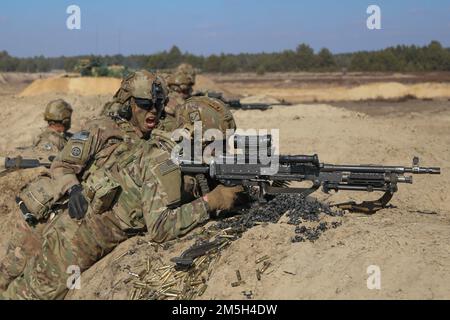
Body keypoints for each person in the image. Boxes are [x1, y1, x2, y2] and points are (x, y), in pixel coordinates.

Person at [0, 94, 242, 300]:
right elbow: (160, 228)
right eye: (215, 142)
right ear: (194, 135)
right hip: (73, 245)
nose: (219, 149)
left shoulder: (172, 152)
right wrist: (212, 201)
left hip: (77, 235)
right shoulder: (161, 161)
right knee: (29, 294)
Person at [0, 70, 169, 293]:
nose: (153, 111)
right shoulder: (103, 129)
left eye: (159, 105)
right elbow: (62, 165)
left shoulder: (157, 140)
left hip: (79, 231)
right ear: (129, 103)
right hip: (51, 219)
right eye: (145, 104)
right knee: (13, 275)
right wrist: (74, 189)